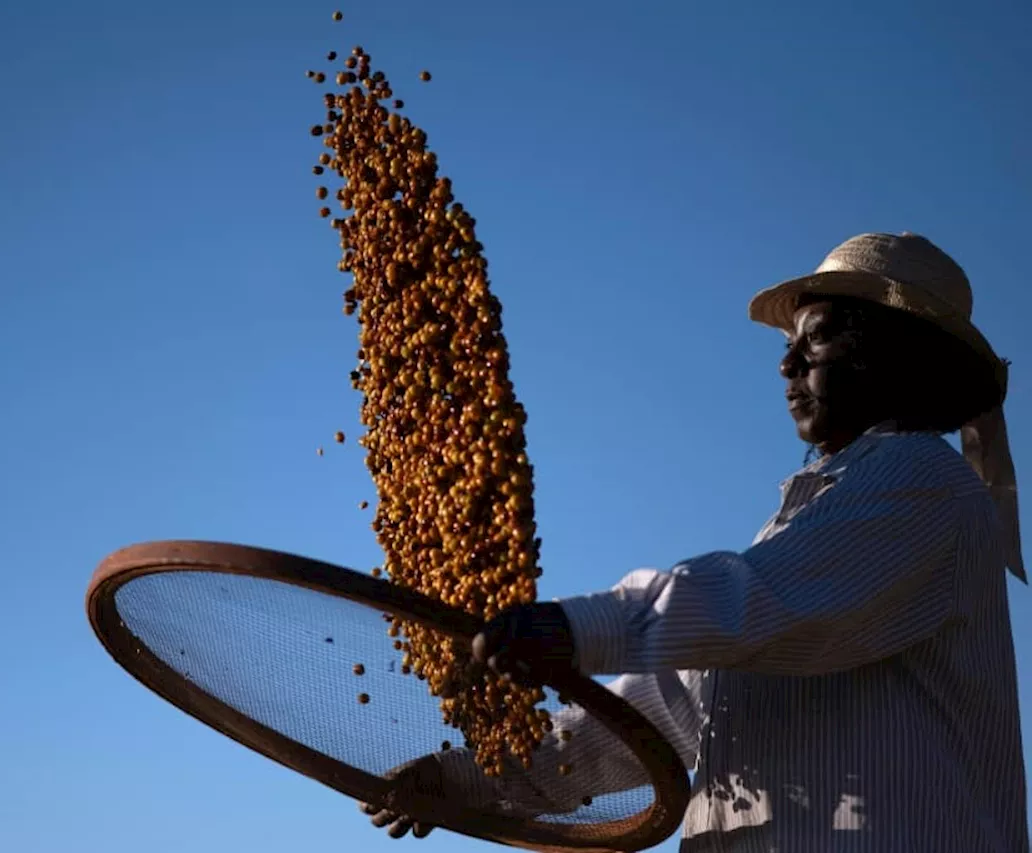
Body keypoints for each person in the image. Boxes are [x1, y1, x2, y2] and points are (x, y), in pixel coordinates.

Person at [362, 233, 1028, 852]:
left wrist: (576, 625)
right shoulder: (806, 524)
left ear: (897, 356)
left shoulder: (922, 480)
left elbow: (760, 602)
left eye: (816, 340)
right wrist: (470, 778)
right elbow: (665, 711)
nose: (786, 363)